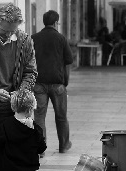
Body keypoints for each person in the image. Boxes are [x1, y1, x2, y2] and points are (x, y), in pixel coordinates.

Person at [0, 3, 38, 171]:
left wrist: (21, 91)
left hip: (9, 109)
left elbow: (31, 72)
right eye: (4, 31)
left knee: (5, 155)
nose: (8, 35)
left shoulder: (24, 40)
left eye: (12, 31)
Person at [31, 10, 73, 157]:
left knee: (39, 116)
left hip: (38, 84)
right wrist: (65, 81)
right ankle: (63, 145)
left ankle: (41, 149)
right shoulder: (61, 38)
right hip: (57, 84)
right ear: (56, 23)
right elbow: (68, 62)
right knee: (61, 116)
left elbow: (27, 61)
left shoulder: (33, 38)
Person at [0, 89, 47, 171]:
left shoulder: (4, 126)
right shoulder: (35, 128)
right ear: (30, 109)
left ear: (13, 106)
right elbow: (42, 148)